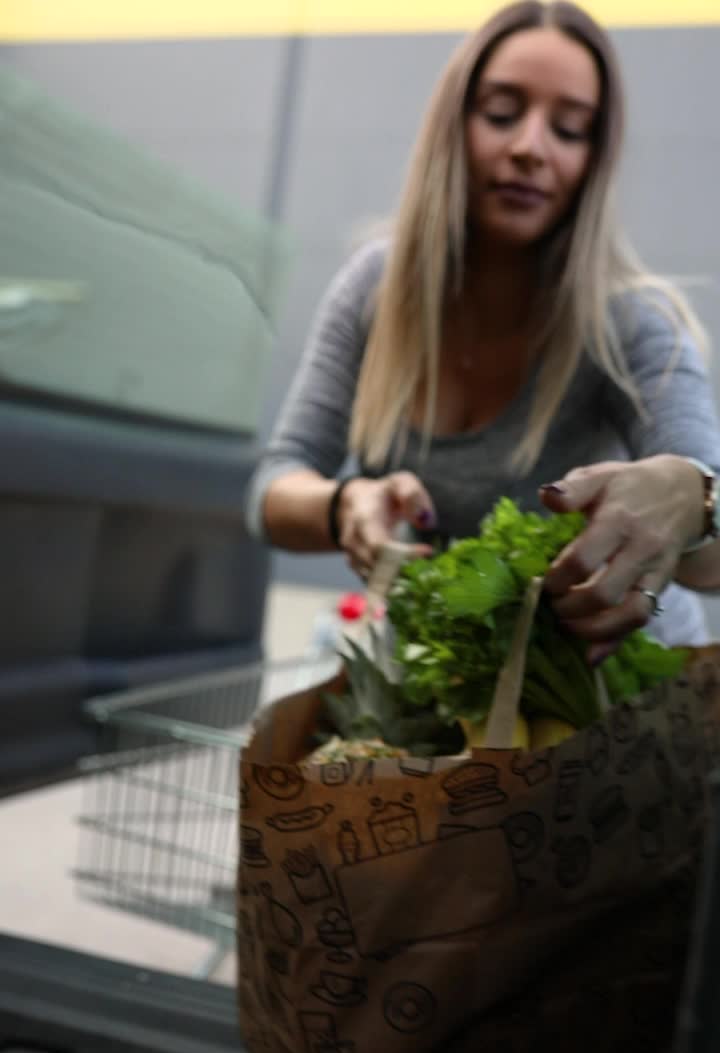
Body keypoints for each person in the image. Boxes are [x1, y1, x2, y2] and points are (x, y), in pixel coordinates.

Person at [245, 0, 720, 664]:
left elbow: (711, 566)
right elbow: (273, 488)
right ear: (454, 125)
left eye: (571, 128)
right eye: (501, 113)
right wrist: (344, 504)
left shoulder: (633, 324)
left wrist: (695, 497)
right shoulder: (374, 292)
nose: (529, 147)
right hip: (460, 703)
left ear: (594, 159)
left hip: (626, 717)